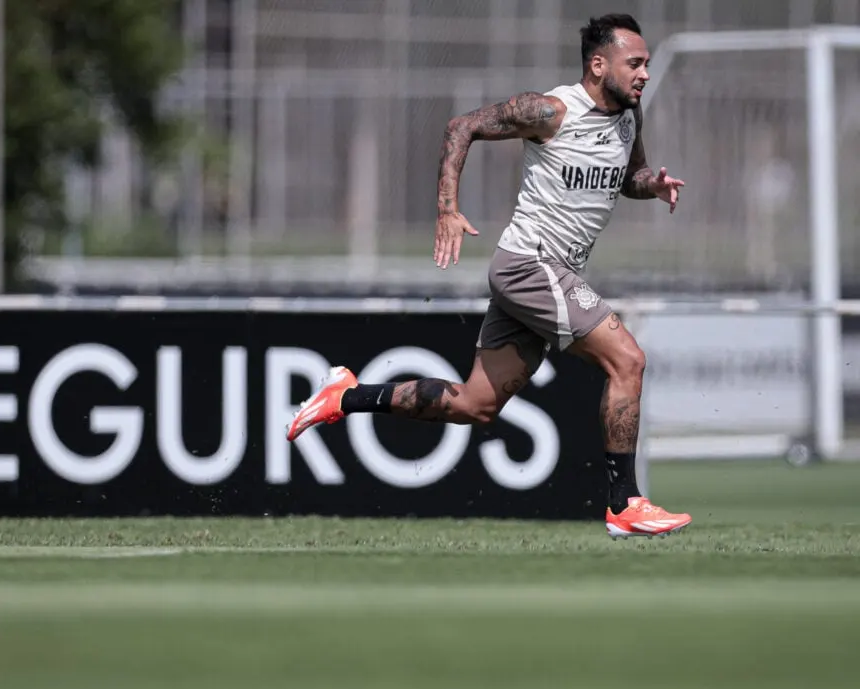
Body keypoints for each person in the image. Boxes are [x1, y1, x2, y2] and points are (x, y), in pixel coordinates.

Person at [286, 12, 691, 539]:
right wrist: (447, 209)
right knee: (629, 361)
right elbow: (462, 126)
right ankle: (624, 504)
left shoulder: (628, 117)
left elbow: (625, 178)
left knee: (474, 405)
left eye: (647, 64)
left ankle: (345, 395)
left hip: (549, 274)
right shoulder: (551, 110)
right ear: (598, 64)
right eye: (634, 63)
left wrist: (651, 184)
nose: (644, 74)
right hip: (531, 266)